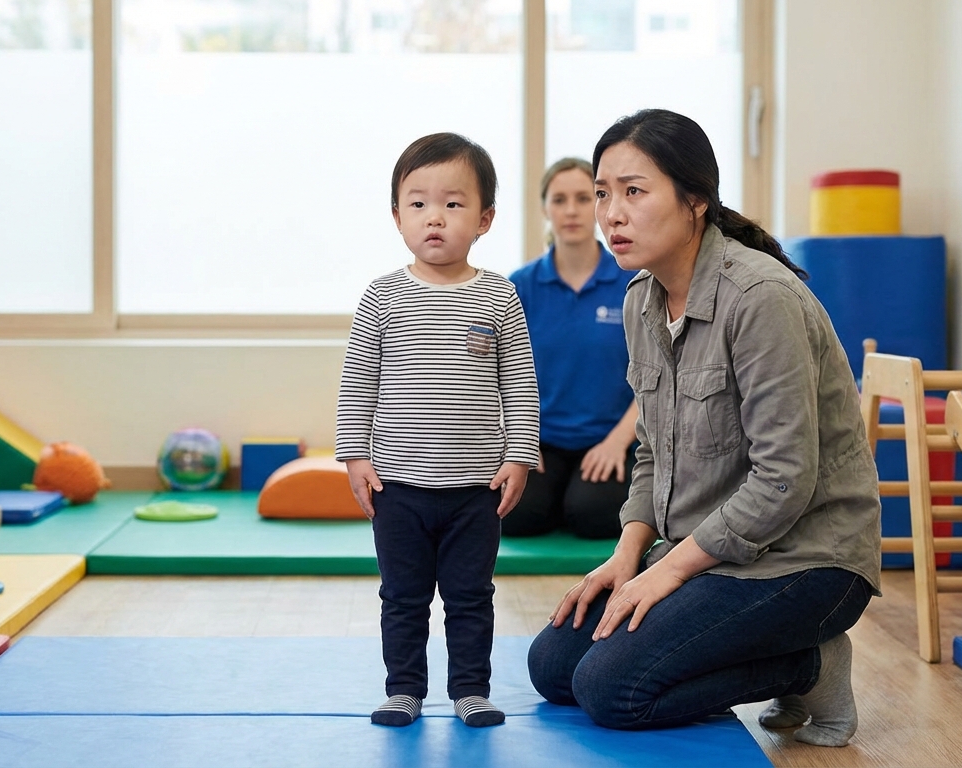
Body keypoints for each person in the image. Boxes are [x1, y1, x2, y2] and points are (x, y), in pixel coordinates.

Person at [525, 109, 881, 747]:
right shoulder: (641, 299)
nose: (611, 214)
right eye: (604, 194)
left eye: (634, 192)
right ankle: (765, 646)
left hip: (805, 562)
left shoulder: (761, 298)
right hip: (709, 551)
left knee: (610, 688)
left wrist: (667, 573)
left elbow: (783, 480)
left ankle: (810, 663)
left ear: (695, 200)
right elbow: (651, 452)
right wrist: (628, 556)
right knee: (554, 666)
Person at [336, 132, 541, 729]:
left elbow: (519, 381)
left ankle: (471, 690)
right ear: (397, 216)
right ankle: (403, 690)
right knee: (402, 598)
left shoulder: (498, 295)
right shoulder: (382, 296)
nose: (435, 217)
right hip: (397, 486)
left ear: (484, 219)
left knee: (471, 597)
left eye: (453, 204)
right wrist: (354, 456)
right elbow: (358, 380)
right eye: (419, 203)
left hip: (474, 490)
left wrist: (519, 454)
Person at [507, 158, 641, 540]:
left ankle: (571, 498)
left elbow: (657, 375)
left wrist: (618, 443)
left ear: (601, 205)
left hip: (612, 438)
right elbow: (498, 373)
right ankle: (558, 495)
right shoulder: (520, 286)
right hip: (541, 441)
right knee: (516, 517)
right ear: (544, 208)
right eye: (559, 199)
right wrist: (518, 442)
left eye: (584, 198)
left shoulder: (633, 282)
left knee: (592, 516)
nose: (571, 210)